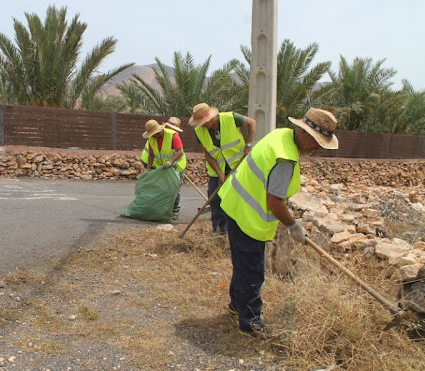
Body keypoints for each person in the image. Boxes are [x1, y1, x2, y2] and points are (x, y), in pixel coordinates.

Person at [217, 108, 339, 337]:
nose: (317, 148)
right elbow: (274, 202)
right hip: (248, 217)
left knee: (242, 264)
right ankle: (250, 321)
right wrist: (293, 226)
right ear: (304, 133)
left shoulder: (280, 135)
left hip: (234, 204)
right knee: (252, 272)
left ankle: (236, 306)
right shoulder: (285, 159)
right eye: (316, 142)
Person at [188, 103, 256, 233]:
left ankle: (239, 231)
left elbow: (252, 123)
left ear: (212, 118)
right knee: (215, 200)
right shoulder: (199, 131)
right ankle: (220, 232)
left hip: (237, 166)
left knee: (238, 198)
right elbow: (208, 155)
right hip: (216, 169)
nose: (203, 125)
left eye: (205, 122)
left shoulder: (231, 118)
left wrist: (248, 145)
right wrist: (220, 174)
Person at [143, 119, 187, 219]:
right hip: (163, 167)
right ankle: (164, 210)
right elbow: (151, 154)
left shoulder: (173, 136)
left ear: (158, 131)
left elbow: (179, 152)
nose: (152, 136)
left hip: (176, 166)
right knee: (163, 190)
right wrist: (149, 168)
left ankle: (175, 211)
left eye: (153, 134)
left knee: (174, 189)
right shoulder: (152, 139)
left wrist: (170, 161)